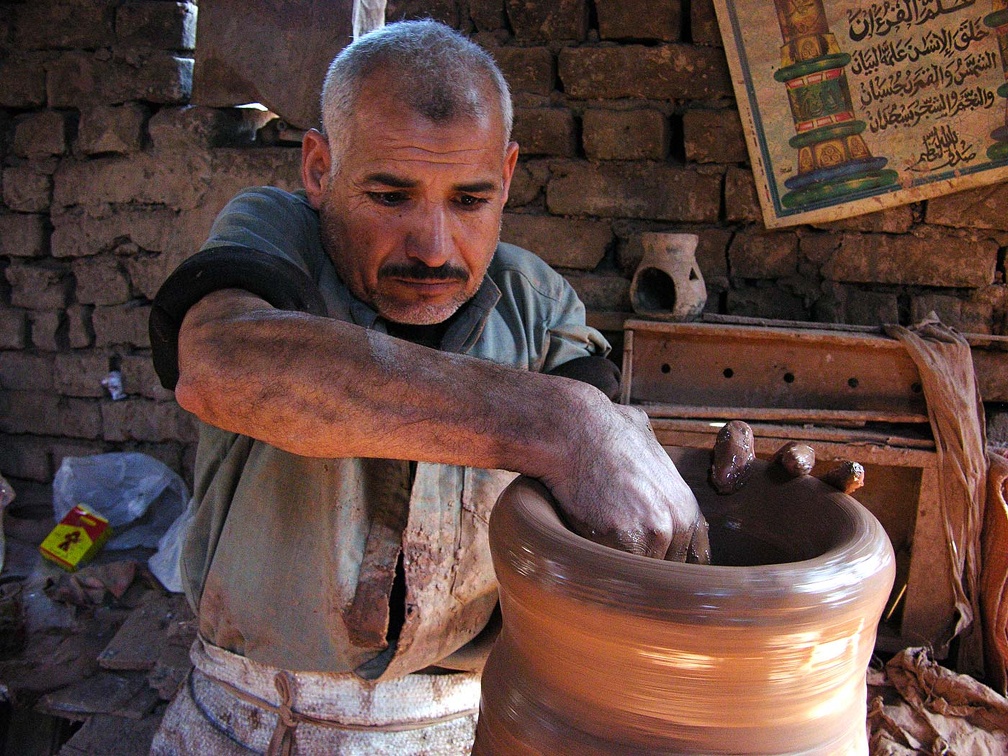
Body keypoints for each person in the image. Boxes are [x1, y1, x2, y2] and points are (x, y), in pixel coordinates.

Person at [148, 19, 709, 755]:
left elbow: (598, 496)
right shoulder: (274, 232)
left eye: (471, 200)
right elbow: (223, 366)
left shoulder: (535, 303)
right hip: (248, 715)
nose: (434, 247)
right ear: (319, 168)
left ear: (507, 176)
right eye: (391, 197)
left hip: (460, 721)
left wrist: (710, 507)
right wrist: (561, 422)